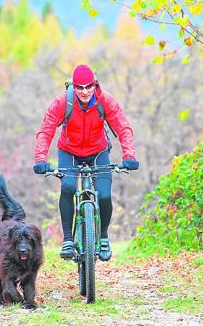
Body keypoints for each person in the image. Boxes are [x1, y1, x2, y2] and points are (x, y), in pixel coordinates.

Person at [32, 64, 139, 262]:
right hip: (69, 152)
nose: (84, 91)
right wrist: (40, 159)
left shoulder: (104, 100)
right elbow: (46, 130)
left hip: (98, 152)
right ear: (73, 86)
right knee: (69, 187)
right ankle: (67, 240)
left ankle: (104, 237)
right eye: (79, 87)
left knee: (105, 195)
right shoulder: (63, 102)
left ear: (94, 84)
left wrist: (129, 156)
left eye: (88, 86)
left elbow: (123, 127)